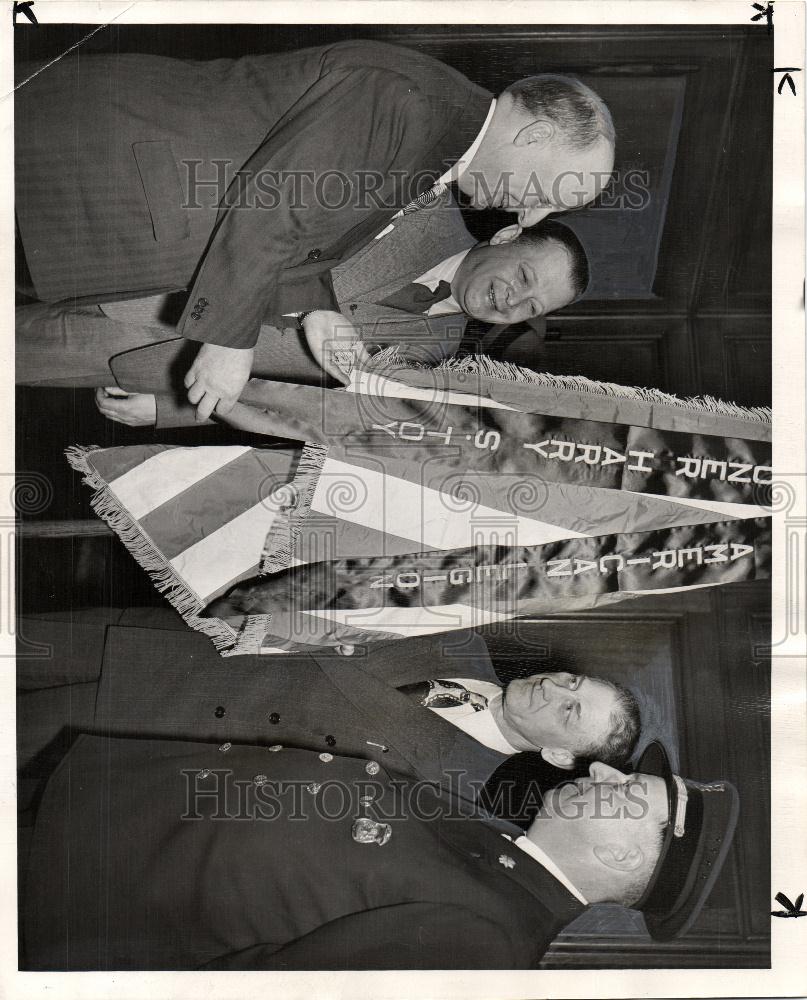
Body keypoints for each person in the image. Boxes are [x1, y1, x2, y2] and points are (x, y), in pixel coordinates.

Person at [16, 41, 614, 421]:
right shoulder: (409, 103)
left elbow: (305, 229)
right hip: (71, 176)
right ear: (534, 139)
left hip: (102, 231)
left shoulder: (436, 143)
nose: (529, 216)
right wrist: (231, 342)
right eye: (553, 194)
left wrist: (313, 311)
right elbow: (273, 203)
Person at [20, 735, 738, 969]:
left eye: (630, 792)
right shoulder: (496, 852)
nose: (604, 772)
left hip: (57, 894)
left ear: (619, 863)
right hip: (85, 821)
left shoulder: (483, 947)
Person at [17, 192, 589, 429]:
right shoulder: (423, 200)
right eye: (522, 276)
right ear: (511, 234)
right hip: (140, 265)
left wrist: (176, 407)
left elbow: (311, 410)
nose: (511, 300)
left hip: (148, 359)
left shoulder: (432, 358)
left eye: (529, 307)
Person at [17, 607, 639, 823]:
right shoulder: (462, 632)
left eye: (570, 709)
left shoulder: (455, 792)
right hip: (160, 640)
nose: (556, 687)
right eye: (574, 680)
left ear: (560, 756)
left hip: (135, 722)